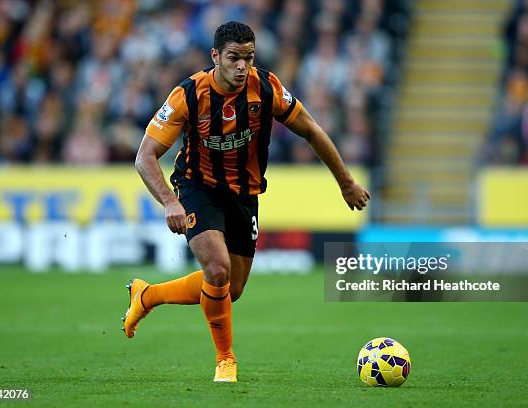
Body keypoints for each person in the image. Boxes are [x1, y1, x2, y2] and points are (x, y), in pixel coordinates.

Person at [123, 21, 370, 383]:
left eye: (249, 58)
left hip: (245, 194)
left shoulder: (266, 87)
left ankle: (147, 296)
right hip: (198, 187)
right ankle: (226, 361)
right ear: (216, 56)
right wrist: (169, 202)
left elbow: (311, 130)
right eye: (234, 58)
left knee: (231, 289)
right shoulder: (188, 94)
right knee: (218, 269)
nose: (242, 66)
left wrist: (346, 182)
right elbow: (145, 156)